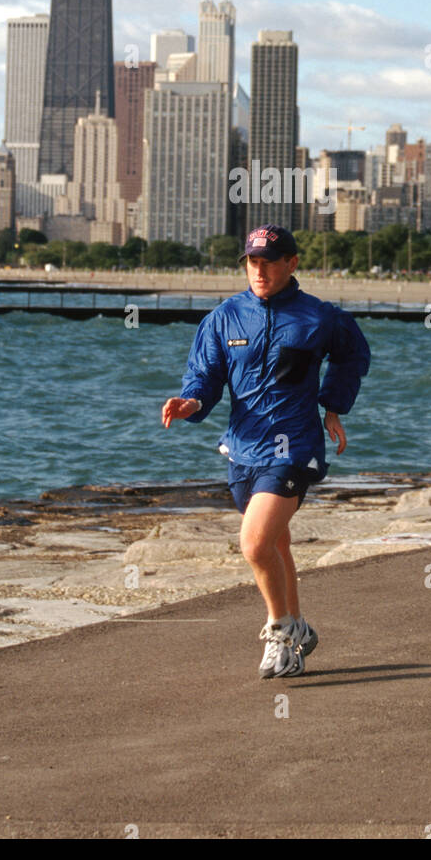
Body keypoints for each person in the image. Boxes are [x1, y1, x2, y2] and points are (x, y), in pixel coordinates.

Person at [161, 225, 370, 679]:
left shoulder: (319, 317)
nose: (259, 270)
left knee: (254, 543)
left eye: (268, 262)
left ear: (291, 264)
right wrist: (191, 403)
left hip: (294, 447)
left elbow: (353, 354)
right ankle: (301, 629)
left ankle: (280, 631)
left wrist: (333, 404)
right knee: (276, 543)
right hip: (242, 450)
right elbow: (205, 378)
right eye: (252, 262)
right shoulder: (224, 318)